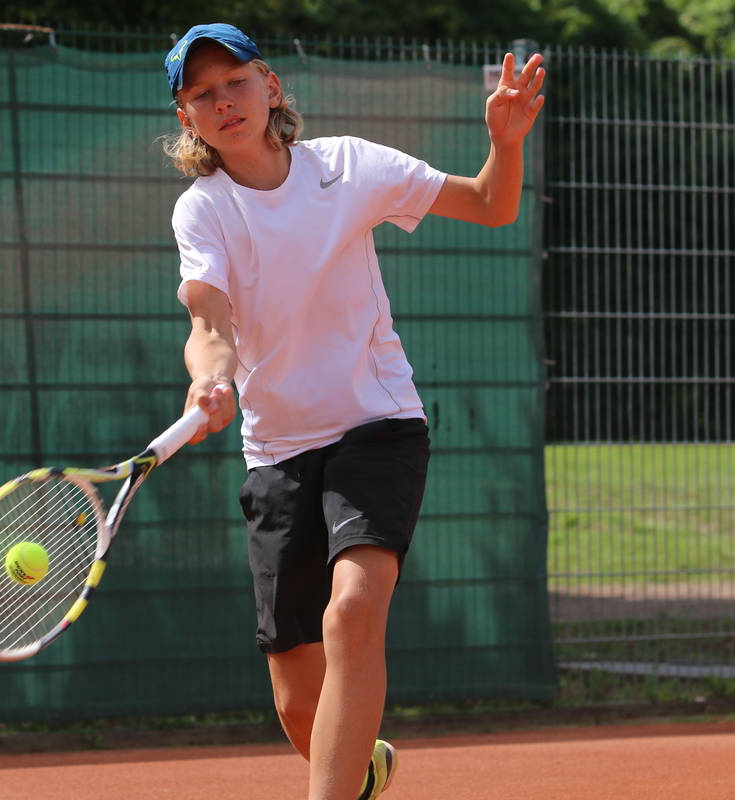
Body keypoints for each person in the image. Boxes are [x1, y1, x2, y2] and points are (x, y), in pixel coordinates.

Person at [161, 23, 544, 800]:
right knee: (297, 701)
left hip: (378, 425)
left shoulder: (349, 167)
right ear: (187, 119)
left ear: (270, 85)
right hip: (278, 453)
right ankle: (360, 772)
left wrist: (505, 142)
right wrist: (210, 380)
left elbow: (490, 204)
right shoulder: (203, 211)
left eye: (235, 81)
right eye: (202, 94)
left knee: (352, 615)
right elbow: (210, 323)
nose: (224, 101)